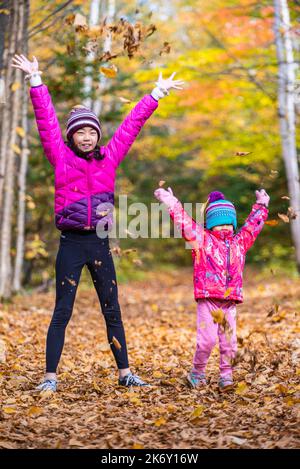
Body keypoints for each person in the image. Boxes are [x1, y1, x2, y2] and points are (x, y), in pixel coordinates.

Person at [12, 54, 184, 391]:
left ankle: (125, 374)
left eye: (92, 131)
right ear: (72, 137)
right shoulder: (60, 157)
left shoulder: (110, 157)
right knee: (62, 310)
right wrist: (36, 81)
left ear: (98, 135)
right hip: (72, 244)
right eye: (81, 132)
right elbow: (46, 122)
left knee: (112, 309)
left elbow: (131, 125)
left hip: (100, 242)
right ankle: (50, 378)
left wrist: (157, 93)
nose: (87, 137)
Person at [154, 187, 269, 391]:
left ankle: (226, 375)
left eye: (227, 223)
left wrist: (261, 206)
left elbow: (252, 227)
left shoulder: (240, 242)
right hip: (208, 300)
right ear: (210, 225)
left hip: (229, 302)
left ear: (233, 224)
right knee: (206, 341)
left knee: (229, 343)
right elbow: (184, 223)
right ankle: (197, 372)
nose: (224, 227)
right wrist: (171, 202)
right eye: (219, 224)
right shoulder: (201, 240)